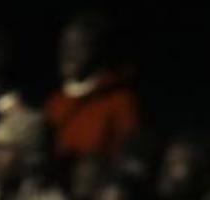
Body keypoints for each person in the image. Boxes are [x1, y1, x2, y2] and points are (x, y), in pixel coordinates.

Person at [44, 14, 140, 165]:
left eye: (79, 46)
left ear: (98, 50)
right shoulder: (55, 101)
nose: (69, 55)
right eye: (65, 46)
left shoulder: (119, 102)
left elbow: (127, 156)